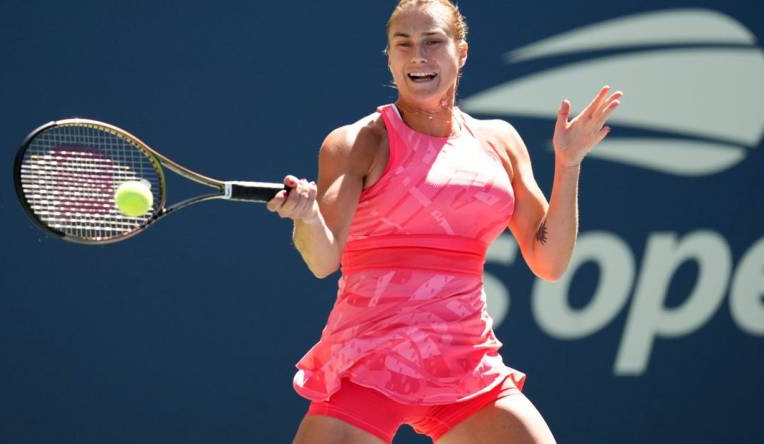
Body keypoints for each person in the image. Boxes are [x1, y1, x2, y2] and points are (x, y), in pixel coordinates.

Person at [267, 1, 623, 442]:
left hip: (466, 368)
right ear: (390, 58)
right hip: (369, 365)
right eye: (404, 44)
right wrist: (305, 217)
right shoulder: (357, 142)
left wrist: (568, 165)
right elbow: (323, 258)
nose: (418, 55)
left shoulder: (500, 143)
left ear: (462, 52)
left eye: (433, 42)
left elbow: (549, 261)